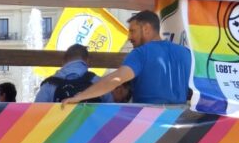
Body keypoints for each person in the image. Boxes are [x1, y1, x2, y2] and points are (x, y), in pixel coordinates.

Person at [62, 11, 190, 106]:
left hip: (150, 123)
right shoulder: (185, 53)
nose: (129, 37)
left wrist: (80, 96)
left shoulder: (140, 53)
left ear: (146, 29)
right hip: (180, 124)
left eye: (133, 31)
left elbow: (116, 79)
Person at [35, 44, 111, 103]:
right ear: (87, 61)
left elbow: (36, 112)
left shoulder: (49, 84)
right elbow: (111, 110)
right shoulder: (98, 82)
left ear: (63, 61)